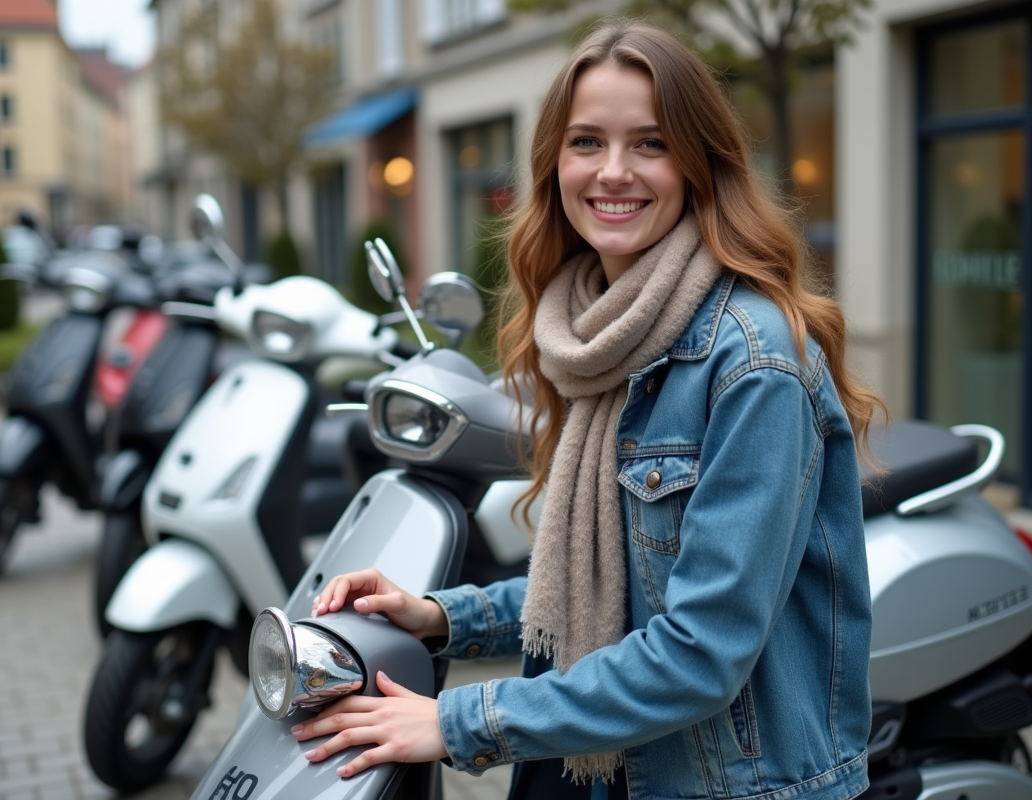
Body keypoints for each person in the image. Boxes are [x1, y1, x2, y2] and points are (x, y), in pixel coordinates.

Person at [292, 18, 881, 800]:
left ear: (699, 163)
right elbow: (607, 581)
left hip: (718, 782)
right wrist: (441, 616)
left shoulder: (753, 360)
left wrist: (455, 722)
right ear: (553, 164)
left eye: (649, 142)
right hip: (594, 758)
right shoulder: (594, 334)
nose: (613, 172)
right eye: (585, 143)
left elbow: (701, 648)